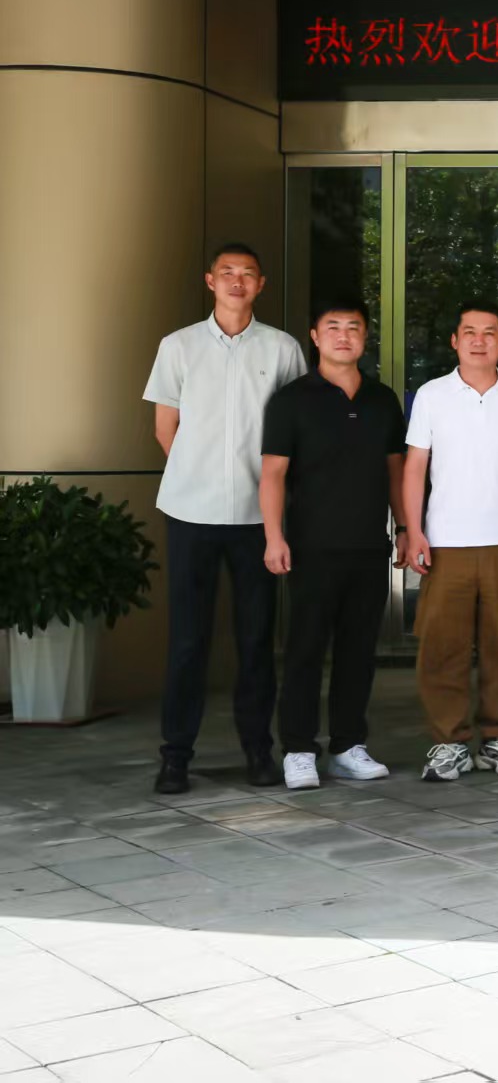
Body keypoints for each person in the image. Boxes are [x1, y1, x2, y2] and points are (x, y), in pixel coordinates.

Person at [143, 242, 307, 794]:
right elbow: (165, 427)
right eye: (227, 273)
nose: (238, 281)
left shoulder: (282, 348)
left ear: (261, 284)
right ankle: (175, 757)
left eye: (248, 274)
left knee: (256, 640)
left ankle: (259, 751)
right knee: (188, 640)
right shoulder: (178, 346)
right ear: (209, 281)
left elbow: (294, 430)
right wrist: (199, 475)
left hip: (258, 519)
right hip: (191, 513)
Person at [259, 299, 403, 791]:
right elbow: (273, 474)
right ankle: (298, 750)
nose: (344, 335)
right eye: (333, 327)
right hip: (310, 548)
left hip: (369, 547)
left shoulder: (383, 400)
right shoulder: (291, 400)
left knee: (358, 653)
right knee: (305, 651)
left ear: (365, 337)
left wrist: (406, 528)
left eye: (353, 327)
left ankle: (347, 747)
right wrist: (274, 536)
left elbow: (396, 471)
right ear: (315, 337)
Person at [401, 301, 498, 783]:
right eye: (469, 332)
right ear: (454, 341)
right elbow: (415, 466)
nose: (479, 340)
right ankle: (449, 742)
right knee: (442, 646)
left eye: (489, 333)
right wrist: (414, 529)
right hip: (446, 541)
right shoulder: (432, 395)